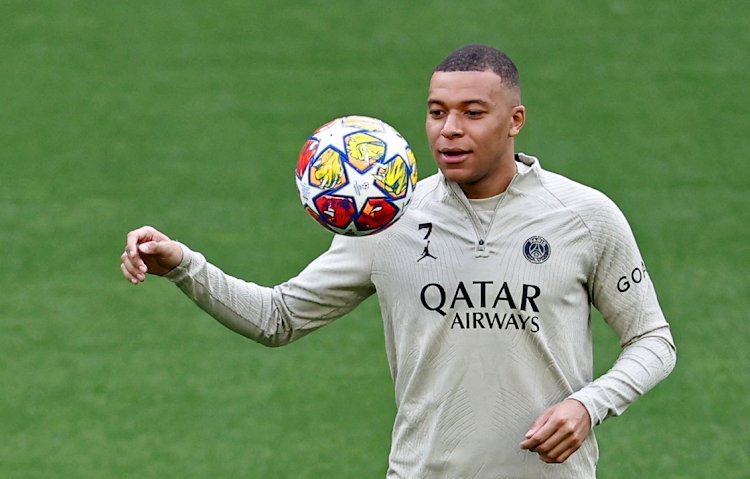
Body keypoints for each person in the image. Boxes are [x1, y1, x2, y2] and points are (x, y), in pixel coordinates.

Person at [120, 44, 676, 478]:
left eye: (472, 113)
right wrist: (182, 265)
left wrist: (588, 406)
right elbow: (278, 318)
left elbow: (653, 340)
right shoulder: (388, 219)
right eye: (436, 112)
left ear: (515, 120)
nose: (449, 130)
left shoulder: (585, 217)